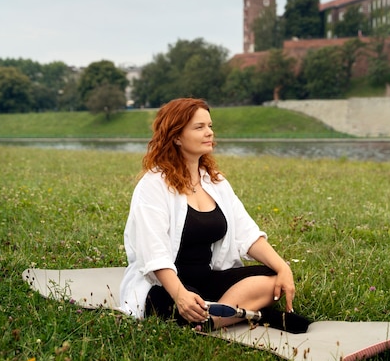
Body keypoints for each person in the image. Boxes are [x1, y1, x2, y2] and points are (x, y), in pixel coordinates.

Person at [119, 98, 310, 333]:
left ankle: (214, 319)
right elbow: (153, 251)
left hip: (208, 280)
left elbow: (246, 233)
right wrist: (180, 295)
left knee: (271, 279)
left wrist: (283, 268)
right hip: (166, 286)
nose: (209, 133)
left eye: (210, 126)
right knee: (176, 304)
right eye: (199, 127)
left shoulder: (214, 181)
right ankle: (245, 313)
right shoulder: (153, 185)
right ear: (176, 136)